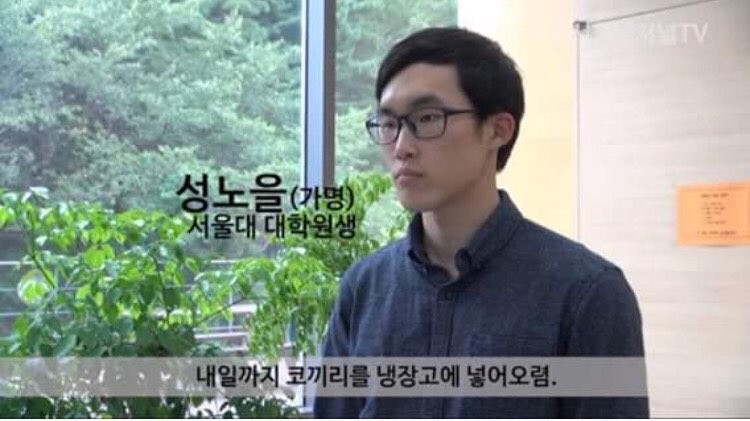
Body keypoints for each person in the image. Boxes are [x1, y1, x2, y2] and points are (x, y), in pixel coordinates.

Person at [314, 27, 648, 418]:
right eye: (389, 124)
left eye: (427, 118)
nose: (402, 147)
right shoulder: (364, 287)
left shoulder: (587, 293)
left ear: (497, 130)